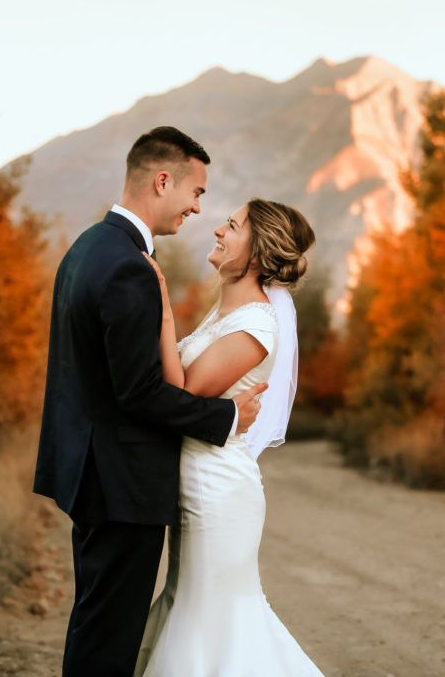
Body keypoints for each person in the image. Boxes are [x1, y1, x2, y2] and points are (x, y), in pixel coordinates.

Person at [32, 126, 269, 677]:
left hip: (93, 472)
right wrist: (227, 415)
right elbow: (138, 392)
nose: (197, 206)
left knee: (97, 623)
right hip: (121, 483)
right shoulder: (127, 266)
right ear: (163, 180)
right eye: (197, 192)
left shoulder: (89, 248)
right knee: (109, 639)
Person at [135, 198, 324, 676]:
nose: (218, 229)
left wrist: (161, 313)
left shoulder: (257, 324)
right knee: (191, 605)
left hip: (217, 489)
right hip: (196, 480)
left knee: (211, 617)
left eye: (233, 225)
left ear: (257, 255)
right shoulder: (224, 315)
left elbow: (184, 391)